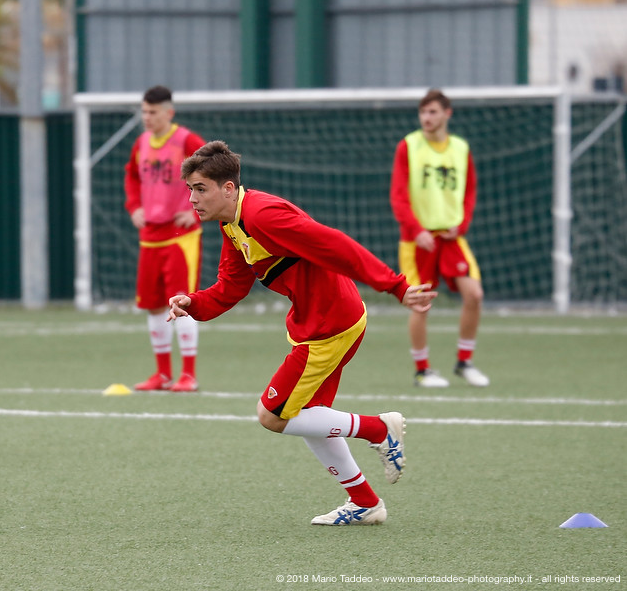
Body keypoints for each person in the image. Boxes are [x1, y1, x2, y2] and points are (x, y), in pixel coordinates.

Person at [168, 141, 436, 525]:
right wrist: (194, 303)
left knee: (272, 415)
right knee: (308, 414)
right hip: (316, 323)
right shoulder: (232, 224)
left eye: (200, 189)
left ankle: (378, 427)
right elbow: (230, 287)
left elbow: (335, 244)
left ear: (228, 188)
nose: (192, 199)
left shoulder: (263, 215)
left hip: (330, 325)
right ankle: (365, 503)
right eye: (190, 190)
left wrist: (394, 286)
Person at [390, 89, 490, 388]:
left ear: (448, 113)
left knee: (474, 295)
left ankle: (465, 362)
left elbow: (469, 190)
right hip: (417, 240)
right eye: (423, 112)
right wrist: (416, 229)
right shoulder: (408, 146)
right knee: (421, 303)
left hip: (451, 238)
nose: (427, 118)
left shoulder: (460, 148)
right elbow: (398, 195)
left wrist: (463, 224)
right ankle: (423, 370)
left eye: (433, 112)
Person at [124, 85, 206, 392]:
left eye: (153, 112)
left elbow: (213, 173)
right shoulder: (141, 143)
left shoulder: (187, 140)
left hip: (180, 238)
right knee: (154, 305)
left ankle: (189, 374)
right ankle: (162, 374)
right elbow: (131, 177)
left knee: (182, 302)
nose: (147, 117)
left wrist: (194, 208)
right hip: (150, 238)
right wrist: (134, 207)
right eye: (144, 111)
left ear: (169, 113)